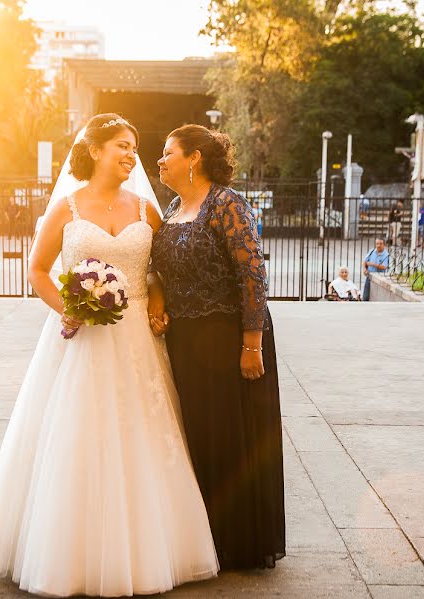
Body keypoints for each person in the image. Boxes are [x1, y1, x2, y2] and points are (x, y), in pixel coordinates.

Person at [0, 114, 218, 597]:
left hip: (138, 343)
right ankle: (70, 555)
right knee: (77, 440)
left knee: (142, 439)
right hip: (80, 341)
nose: (131, 155)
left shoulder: (147, 210)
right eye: (122, 145)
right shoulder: (66, 208)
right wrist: (71, 309)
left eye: (134, 147)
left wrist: (159, 307)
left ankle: (149, 550)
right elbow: (37, 271)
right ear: (95, 150)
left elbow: (159, 272)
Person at [151, 124, 285, 570]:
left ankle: (238, 540)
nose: (160, 160)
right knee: (199, 435)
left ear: (195, 158)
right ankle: (204, 538)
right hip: (187, 340)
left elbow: (252, 274)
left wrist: (251, 345)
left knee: (230, 436)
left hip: (229, 336)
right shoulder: (173, 207)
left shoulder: (227, 203)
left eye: (168, 152)